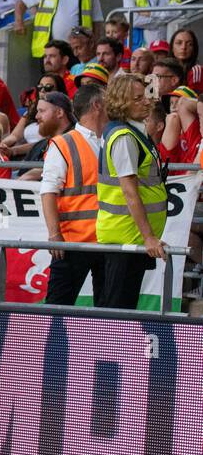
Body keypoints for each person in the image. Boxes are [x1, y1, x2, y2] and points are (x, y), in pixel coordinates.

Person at [96, 72, 169, 310]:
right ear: (121, 103)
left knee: (124, 305)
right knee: (118, 309)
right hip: (126, 236)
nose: (146, 101)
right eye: (138, 98)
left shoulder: (135, 132)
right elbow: (130, 192)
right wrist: (148, 236)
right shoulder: (124, 137)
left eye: (145, 96)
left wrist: (150, 236)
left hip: (132, 235)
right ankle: (109, 348)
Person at [41, 83, 107, 306]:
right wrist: (54, 236)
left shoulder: (112, 139)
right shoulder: (63, 143)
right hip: (72, 243)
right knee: (58, 308)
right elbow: (48, 191)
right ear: (97, 105)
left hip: (107, 240)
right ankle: (54, 343)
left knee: (108, 314)